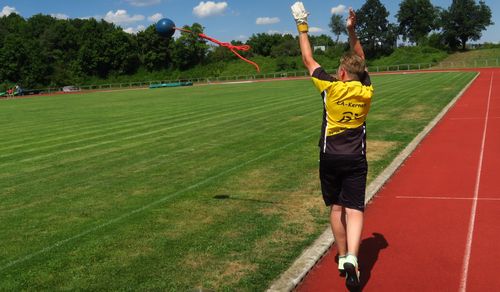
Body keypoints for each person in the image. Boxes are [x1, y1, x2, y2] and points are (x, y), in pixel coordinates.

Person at [291, 2, 374, 290]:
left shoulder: (330, 86)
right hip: (355, 158)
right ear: (360, 73)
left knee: (336, 208)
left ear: (340, 73)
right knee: (354, 209)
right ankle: (352, 256)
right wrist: (352, 32)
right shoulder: (366, 90)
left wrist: (302, 24)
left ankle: (341, 257)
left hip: (329, 157)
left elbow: (307, 58)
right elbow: (360, 59)